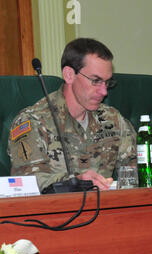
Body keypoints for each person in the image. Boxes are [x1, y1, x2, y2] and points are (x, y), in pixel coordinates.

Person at [7, 38, 137, 191]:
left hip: (108, 210)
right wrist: (76, 182)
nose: (104, 91)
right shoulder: (33, 121)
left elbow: (136, 171)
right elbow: (27, 181)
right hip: (55, 212)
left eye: (107, 82)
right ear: (69, 75)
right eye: (95, 81)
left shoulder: (113, 119)